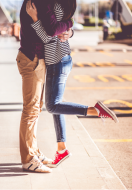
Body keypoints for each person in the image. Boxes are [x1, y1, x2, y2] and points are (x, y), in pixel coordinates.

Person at [26, 0, 119, 170]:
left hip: (58, 61)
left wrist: (34, 19)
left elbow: (49, 35)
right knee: (57, 103)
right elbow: (63, 29)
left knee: (53, 106)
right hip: (61, 59)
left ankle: (94, 110)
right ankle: (62, 149)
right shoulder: (65, 5)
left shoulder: (55, 6)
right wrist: (70, 29)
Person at [16, 0, 75, 173]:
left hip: (36, 59)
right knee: (30, 110)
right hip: (32, 58)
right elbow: (51, 30)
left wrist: (69, 31)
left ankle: (34, 152)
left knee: (35, 109)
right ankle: (28, 159)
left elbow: (55, 27)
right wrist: (70, 23)